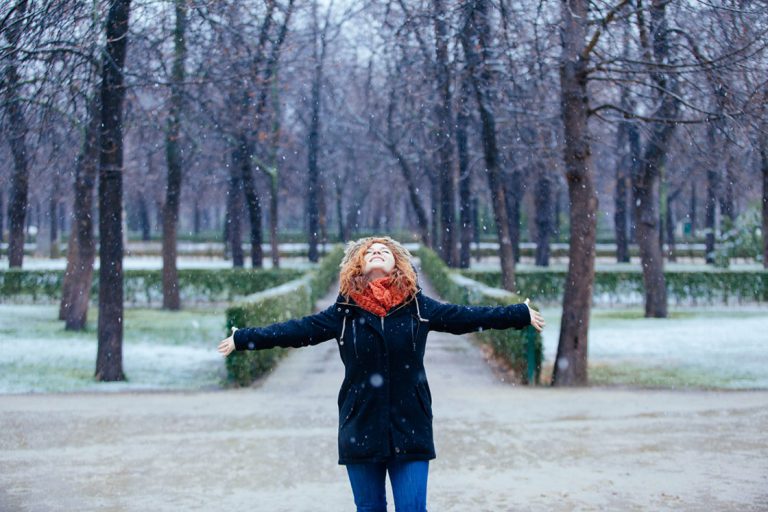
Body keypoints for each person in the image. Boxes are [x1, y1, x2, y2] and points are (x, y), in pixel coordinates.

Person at [217, 236, 545, 512]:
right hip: (360, 425)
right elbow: (294, 331)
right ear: (357, 265)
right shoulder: (343, 313)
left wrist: (518, 313)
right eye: (369, 251)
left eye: (384, 250)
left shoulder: (420, 308)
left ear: (397, 264)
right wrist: (244, 338)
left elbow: (468, 317)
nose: (376, 251)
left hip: (411, 425)